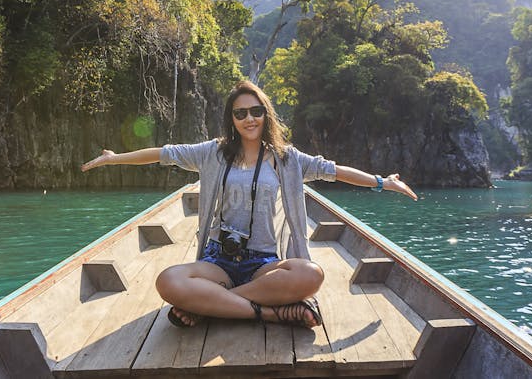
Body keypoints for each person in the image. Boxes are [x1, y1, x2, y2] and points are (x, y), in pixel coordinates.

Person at [80, 80, 417, 329]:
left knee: (309, 274)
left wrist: (381, 182)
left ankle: (212, 305)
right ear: (232, 118)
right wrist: (114, 159)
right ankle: (269, 312)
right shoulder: (212, 152)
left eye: (256, 111)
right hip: (219, 260)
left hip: (263, 263)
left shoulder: (288, 160)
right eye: (240, 113)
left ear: (265, 114)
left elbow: (334, 171)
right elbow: (162, 154)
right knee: (168, 281)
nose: (249, 118)